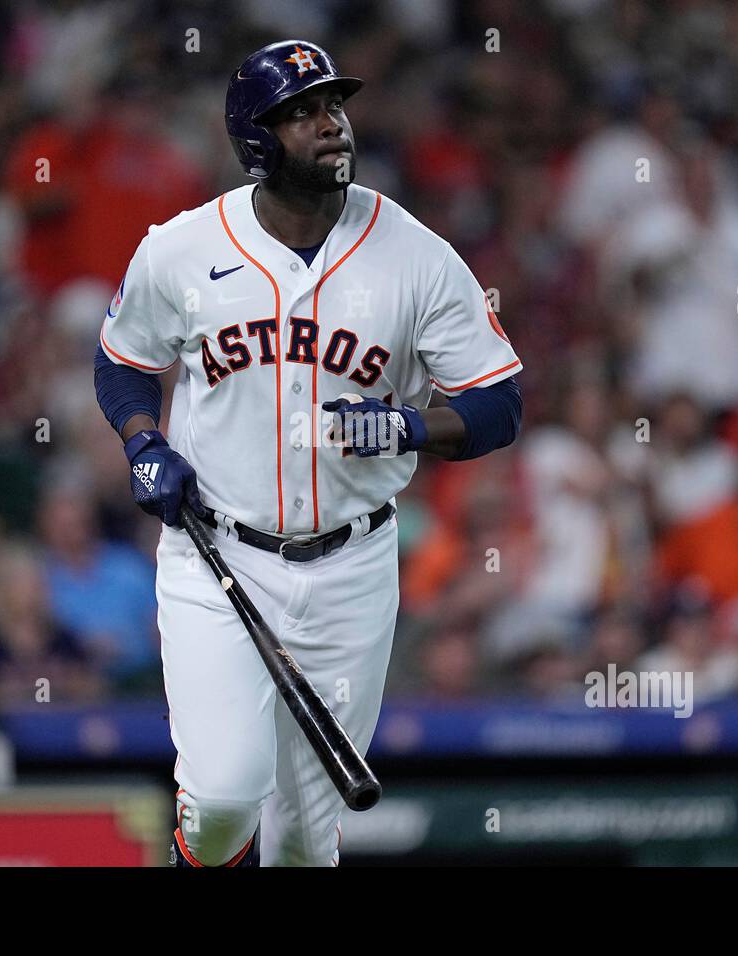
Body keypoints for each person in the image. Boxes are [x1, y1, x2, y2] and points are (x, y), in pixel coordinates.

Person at [94, 40, 523, 867]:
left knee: (301, 841)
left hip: (352, 569)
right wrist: (143, 441)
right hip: (215, 553)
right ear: (257, 140)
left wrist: (406, 426)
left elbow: (499, 403)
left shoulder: (415, 254)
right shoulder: (183, 247)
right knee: (221, 804)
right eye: (302, 113)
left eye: (333, 105)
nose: (330, 125)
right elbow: (124, 360)